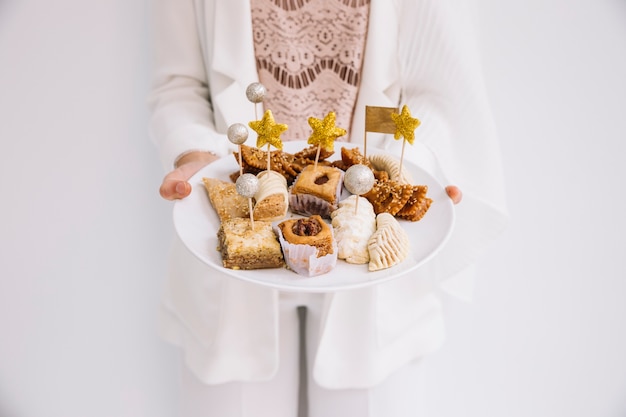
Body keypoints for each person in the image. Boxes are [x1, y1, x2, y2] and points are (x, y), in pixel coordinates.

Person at [148, 0, 508, 416]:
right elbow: (180, 85)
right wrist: (197, 154)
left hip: (372, 259)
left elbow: (431, 89)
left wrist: (412, 166)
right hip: (237, 235)